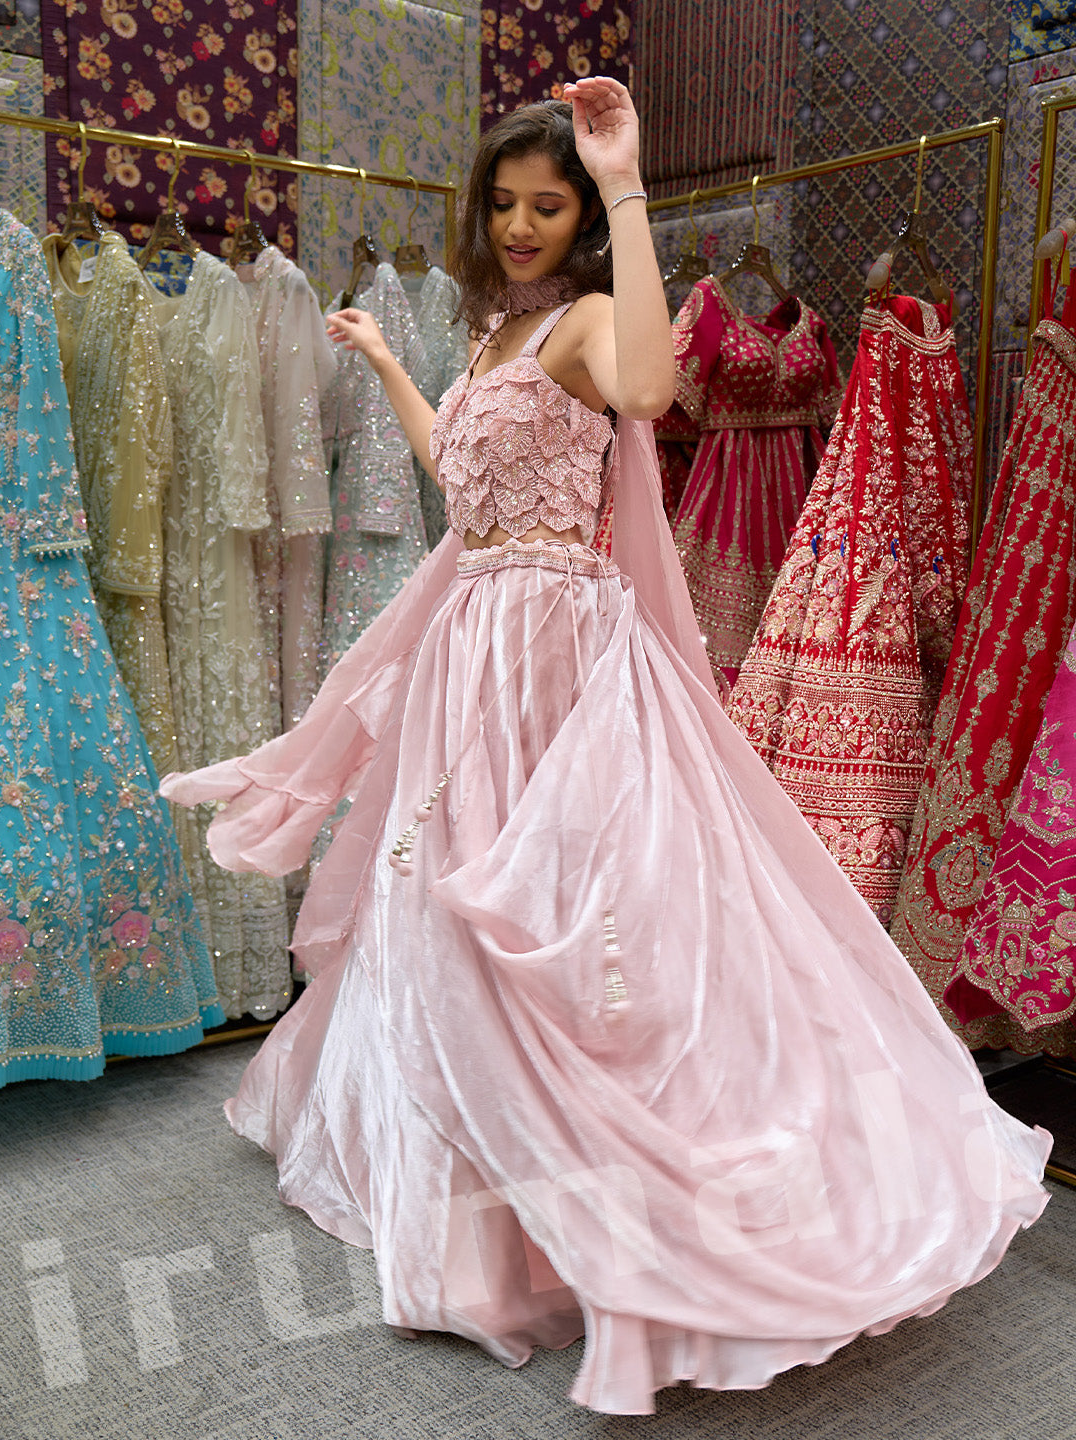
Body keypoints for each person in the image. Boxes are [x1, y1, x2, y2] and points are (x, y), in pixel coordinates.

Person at [161, 78, 1050, 1416]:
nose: (522, 225)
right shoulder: (496, 332)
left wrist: (629, 180)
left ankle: (590, 1196)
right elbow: (461, 484)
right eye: (507, 204)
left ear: (579, 218)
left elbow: (650, 381)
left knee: (555, 914)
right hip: (476, 644)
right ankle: (480, 1191)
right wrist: (397, 366)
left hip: (558, 657)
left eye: (549, 205)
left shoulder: (585, 321)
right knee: (442, 911)